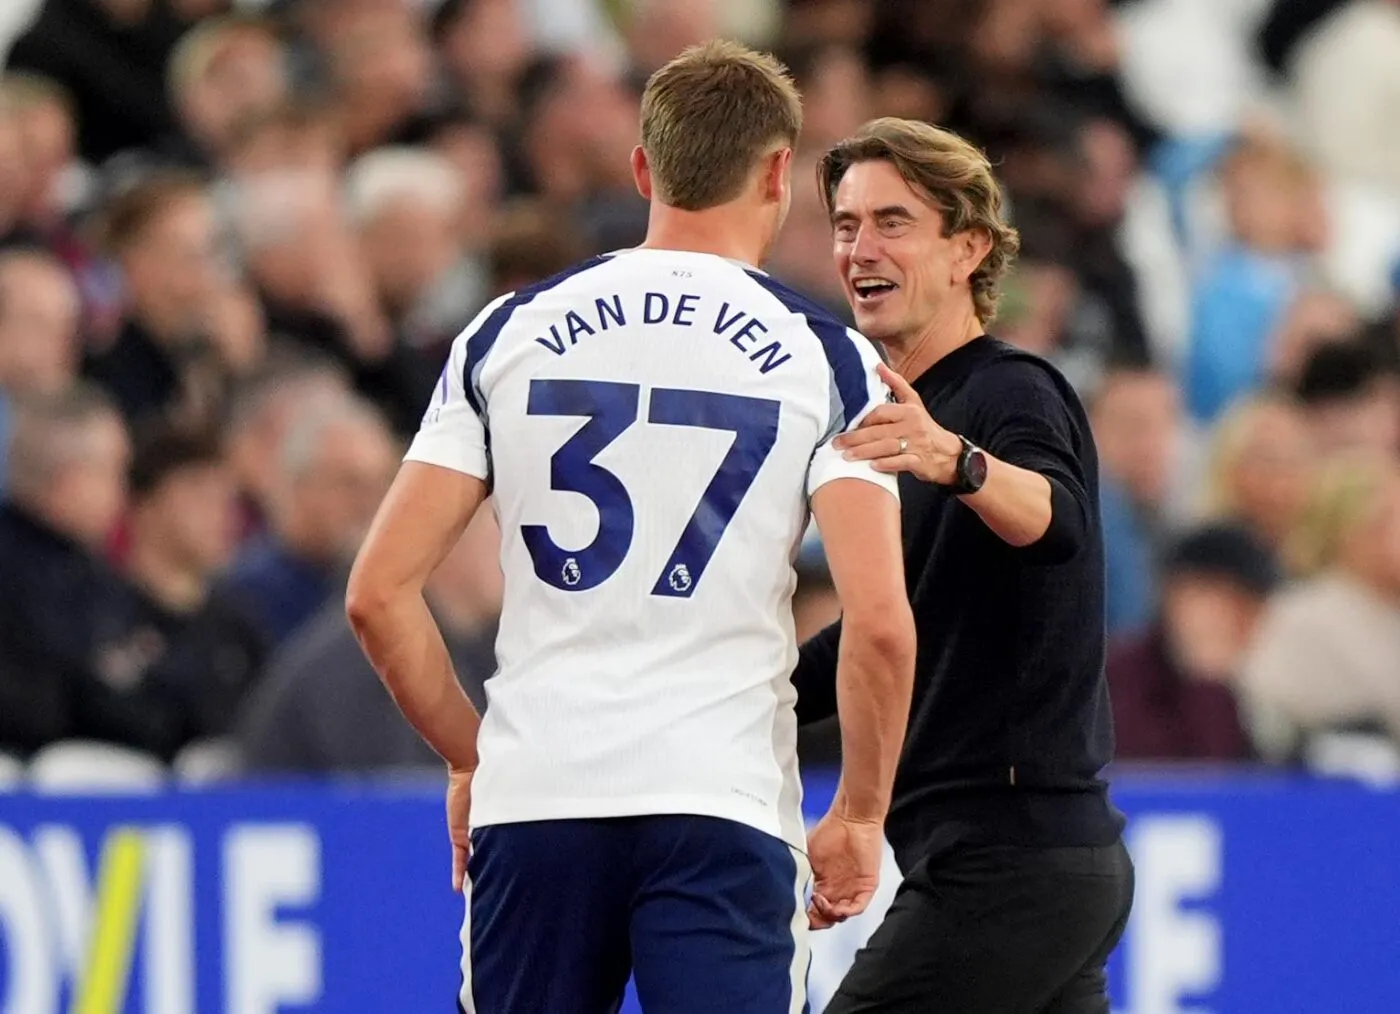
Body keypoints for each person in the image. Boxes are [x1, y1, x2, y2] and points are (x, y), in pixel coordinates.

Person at [345, 42, 916, 1014]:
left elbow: (377, 595)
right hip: (718, 796)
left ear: (643, 170)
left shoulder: (507, 331)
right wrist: (859, 812)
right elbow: (878, 624)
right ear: (779, 172)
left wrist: (468, 755)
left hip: (540, 795)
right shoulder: (825, 356)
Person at [793, 117, 1134, 1013]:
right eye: (844, 224)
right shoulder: (901, 417)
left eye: (893, 222)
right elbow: (880, 629)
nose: (860, 247)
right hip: (1042, 867)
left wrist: (959, 462)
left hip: (1009, 863)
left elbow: (1058, 520)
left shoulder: (1007, 390)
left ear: (967, 248)